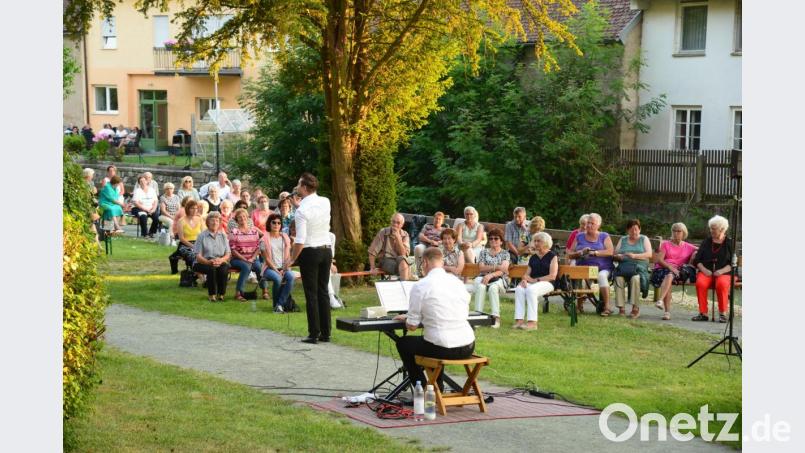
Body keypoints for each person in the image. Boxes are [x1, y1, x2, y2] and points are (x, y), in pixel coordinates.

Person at [394, 247, 475, 390]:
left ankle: (424, 390)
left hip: (442, 348)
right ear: (441, 262)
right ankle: (438, 386)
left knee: (404, 343)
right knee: (434, 341)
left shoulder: (420, 286)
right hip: (467, 345)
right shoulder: (457, 283)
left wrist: (409, 318)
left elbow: (412, 327)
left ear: (424, 262)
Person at [289, 173, 333, 344]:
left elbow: (300, 240)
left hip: (310, 251)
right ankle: (326, 332)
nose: (297, 187)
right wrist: (297, 207)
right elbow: (314, 213)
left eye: (299, 185)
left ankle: (314, 333)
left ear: (305, 188)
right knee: (323, 291)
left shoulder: (302, 211)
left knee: (311, 293)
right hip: (326, 249)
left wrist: (291, 259)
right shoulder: (325, 201)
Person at [566, 213, 614, 316]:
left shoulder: (604, 236)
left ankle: (607, 307)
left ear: (598, 225)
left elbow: (610, 251)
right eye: (588, 223)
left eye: (592, 223)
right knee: (583, 279)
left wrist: (596, 253)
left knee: (601, 276)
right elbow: (569, 254)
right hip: (584, 267)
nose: (589, 225)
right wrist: (580, 253)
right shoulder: (579, 236)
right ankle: (579, 306)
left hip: (601, 267)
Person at [652, 223, 698, 320]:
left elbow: (702, 250)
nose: (676, 233)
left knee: (669, 276)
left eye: (678, 231)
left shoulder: (689, 247)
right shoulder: (665, 244)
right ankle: (666, 310)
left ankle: (664, 307)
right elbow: (659, 260)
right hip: (662, 269)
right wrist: (670, 267)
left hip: (678, 272)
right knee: (668, 276)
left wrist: (694, 255)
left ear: (684, 233)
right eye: (674, 231)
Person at [692, 215, 733, 323]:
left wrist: (721, 271)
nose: (711, 230)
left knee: (722, 284)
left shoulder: (729, 243)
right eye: (711, 228)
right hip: (706, 271)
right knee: (700, 283)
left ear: (722, 229)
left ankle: (723, 313)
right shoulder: (706, 242)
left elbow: (732, 263)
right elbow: (697, 260)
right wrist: (704, 270)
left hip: (724, 272)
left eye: (714, 228)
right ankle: (703, 313)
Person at [513, 232, 558, 331]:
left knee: (531, 290)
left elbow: (553, 276)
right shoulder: (533, 257)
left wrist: (535, 280)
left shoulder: (552, 256)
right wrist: (524, 280)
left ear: (546, 243)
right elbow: (526, 274)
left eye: (539, 241)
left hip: (548, 283)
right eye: (535, 241)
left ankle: (532, 323)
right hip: (533, 283)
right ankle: (519, 321)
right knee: (519, 289)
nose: (536, 243)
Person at [613, 219, 653, 319]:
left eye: (636, 229)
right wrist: (618, 256)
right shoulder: (623, 239)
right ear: (627, 230)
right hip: (624, 266)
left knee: (635, 278)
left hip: (639, 267)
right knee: (618, 278)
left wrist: (634, 256)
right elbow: (615, 253)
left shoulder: (644, 239)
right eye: (631, 230)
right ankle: (621, 308)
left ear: (639, 229)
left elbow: (649, 254)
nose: (634, 232)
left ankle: (635, 308)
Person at [472, 228, 510, 329]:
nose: (493, 240)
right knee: (481, 287)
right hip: (483, 276)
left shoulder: (505, 253)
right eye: (491, 238)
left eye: (496, 238)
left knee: (493, 288)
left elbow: (504, 270)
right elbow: (481, 268)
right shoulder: (483, 252)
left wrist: (490, 275)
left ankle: (496, 317)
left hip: (500, 279)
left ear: (501, 241)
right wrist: (496, 266)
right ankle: (478, 317)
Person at [260, 213, 297, 312]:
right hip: (269, 268)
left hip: (284, 267)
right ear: (269, 224)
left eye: (279, 223)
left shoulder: (285, 237)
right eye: (274, 222)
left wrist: (285, 268)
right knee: (278, 278)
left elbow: (289, 255)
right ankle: (276, 305)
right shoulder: (264, 238)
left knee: (291, 277)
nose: (276, 225)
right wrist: (276, 270)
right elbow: (266, 259)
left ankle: (279, 304)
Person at [193, 212, 231, 302]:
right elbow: (198, 255)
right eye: (212, 220)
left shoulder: (223, 235)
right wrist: (208, 262)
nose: (215, 223)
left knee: (224, 268)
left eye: (217, 221)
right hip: (203, 262)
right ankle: (212, 294)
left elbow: (228, 253)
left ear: (219, 223)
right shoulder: (202, 236)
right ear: (207, 222)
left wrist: (221, 260)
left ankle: (221, 294)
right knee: (211, 269)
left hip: (220, 261)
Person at [228, 208, 263, 302]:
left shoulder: (254, 231)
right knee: (246, 267)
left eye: (244, 216)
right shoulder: (234, 232)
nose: (242, 218)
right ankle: (238, 293)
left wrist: (252, 257)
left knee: (260, 267)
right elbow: (233, 250)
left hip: (252, 258)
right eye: (239, 217)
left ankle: (265, 290)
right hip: (237, 259)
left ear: (247, 218)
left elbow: (258, 247)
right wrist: (244, 259)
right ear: (236, 220)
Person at [368, 213, 412, 280]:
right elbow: (372, 251)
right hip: (386, 260)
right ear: (391, 221)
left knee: (403, 262)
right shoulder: (383, 232)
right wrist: (372, 268)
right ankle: (404, 285)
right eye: (393, 222)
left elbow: (403, 254)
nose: (395, 224)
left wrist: (398, 238)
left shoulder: (405, 235)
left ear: (402, 225)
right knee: (405, 268)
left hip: (399, 260)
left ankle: (403, 285)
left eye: (398, 223)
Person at [169, 199, 204, 273]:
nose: (195, 210)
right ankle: (198, 274)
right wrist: (193, 246)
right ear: (187, 209)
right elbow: (181, 238)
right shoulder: (181, 221)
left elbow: (203, 234)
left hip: (198, 243)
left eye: (196, 208)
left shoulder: (200, 219)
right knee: (191, 255)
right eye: (192, 208)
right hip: (185, 244)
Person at [414, 211, 446, 277]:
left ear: (442, 221)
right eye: (436, 218)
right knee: (418, 248)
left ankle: (434, 272)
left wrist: (438, 242)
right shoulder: (427, 226)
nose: (437, 220)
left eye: (439, 219)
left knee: (437, 251)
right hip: (425, 244)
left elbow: (446, 239)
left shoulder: (444, 230)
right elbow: (420, 235)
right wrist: (430, 241)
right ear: (433, 219)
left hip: (437, 246)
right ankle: (419, 271)